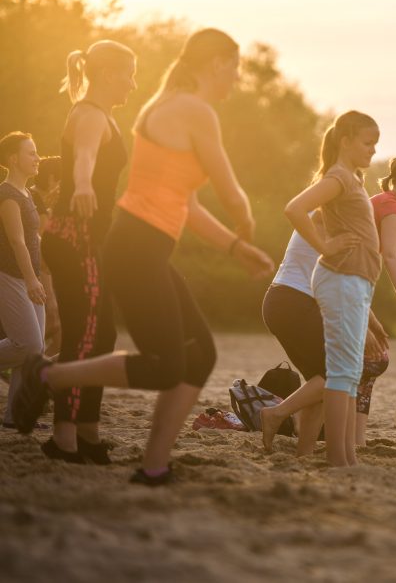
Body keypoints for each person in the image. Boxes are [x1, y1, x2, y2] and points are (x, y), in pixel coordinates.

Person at [13, 28, 275, 486]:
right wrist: (245, 221)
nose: (236, 75)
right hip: (134, 247)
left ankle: (153, 466)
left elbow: (187, 206)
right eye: (234, 66)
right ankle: (50, 375)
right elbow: (230, 188)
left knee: (200, 354)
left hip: (140, 246)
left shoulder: (165, 105)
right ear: (214, 63)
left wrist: (235, 247)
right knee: (165, 363)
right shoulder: (194, 110)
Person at [260, 155, 396, 454]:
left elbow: (353, 273)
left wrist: (369, 319)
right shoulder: (388, 206)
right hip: (296, 300)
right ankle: (277, 414)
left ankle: (306, 452)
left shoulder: (362, 208)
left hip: (288, 300)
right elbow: (390, 257)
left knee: (324, 381)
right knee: (338, 373)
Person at [40, 40, 137, 463]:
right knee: (86, 335)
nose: (133, 85)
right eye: (129, 75)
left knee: (101, 334)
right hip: (75, 234)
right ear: (108, 74)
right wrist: (81, 185)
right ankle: (65, 439)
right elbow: (82, 157)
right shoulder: (89, 116)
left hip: (87, 236)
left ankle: (86, 432)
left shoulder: (103, 116)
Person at [282, 111, 382, 468]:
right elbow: (295, 208)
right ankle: (339, 458)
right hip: (339, 279)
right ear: (345, 141)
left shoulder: (353, 178)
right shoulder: (338, 176)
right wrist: (324, 246)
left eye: (375, 144)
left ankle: (347, 455)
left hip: (354, 281)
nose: (372, 150)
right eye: (367, 143)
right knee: (342, 371)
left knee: (350, 371)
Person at [0, 132, 45, 429]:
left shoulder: (27, 193)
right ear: (14, 158)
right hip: (12, 277)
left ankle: (15, 417)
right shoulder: (7, 195)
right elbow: (17, 243)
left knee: (35, 350)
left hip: (31, 277)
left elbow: (34, 240)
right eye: (31, 153)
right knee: (28, 345)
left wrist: (41, 277)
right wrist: (30, 280)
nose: (37, 158)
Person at [31, 156, 63, 358]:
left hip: (47, 269)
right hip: (38, 269)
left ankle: (38, 366)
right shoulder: (33, 197)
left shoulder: (45, 201)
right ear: (51, 178)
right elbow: (40, 242)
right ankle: (27, 362)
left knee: (59, 328)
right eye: (61, 179)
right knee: (53, 320)